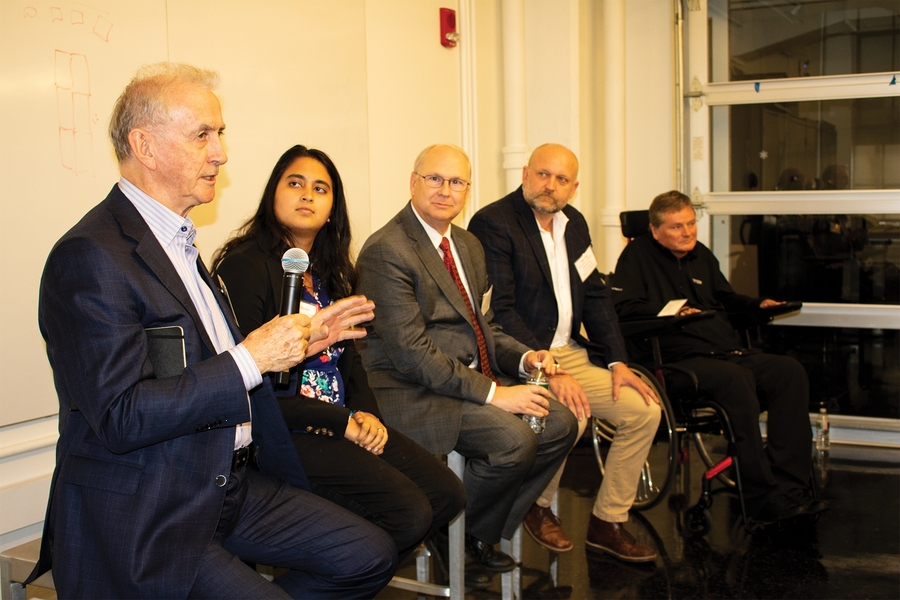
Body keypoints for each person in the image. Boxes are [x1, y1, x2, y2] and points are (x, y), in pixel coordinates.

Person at [27, 62, 397, 599]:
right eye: (203, 134)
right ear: (146, 146)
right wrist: (251, 358)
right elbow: (120, 415)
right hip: (153, 507)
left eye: (219, 134)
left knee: (368, 555)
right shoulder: (90, 256)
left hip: (227, 484)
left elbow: (203, 364)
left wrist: (297, 347)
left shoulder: (177, 239)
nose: (220, 152)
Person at [211, 144, 466, 563]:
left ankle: (351, 568)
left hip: (342, 421)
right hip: (285, 433)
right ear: (273, 194)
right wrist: (342, 422)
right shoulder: (246, 266)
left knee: (446, 493)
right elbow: (255, 391)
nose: (307, 195)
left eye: (320, 188)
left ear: (332, 208)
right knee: (408, 514)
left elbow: (353, 363)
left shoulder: (330, 271)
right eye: (295, 183)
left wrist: (366, 414)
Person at [355, 143, 579, 576]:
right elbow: (412, 355)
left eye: (456, 182)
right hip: (411, 391)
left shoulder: (468, 245)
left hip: (465, 380)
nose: (445, 190)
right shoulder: (388, 250)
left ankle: (468, 530)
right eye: (435, 179)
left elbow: (487, 325)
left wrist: (525, 358)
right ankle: (455, 532)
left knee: (559, 425)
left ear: (467, 191)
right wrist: (496, 394)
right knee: (513, 440)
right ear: (413, 183)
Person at [468, 143, 660, 562]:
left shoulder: (575, 224)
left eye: (560, 179)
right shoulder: (494, 222)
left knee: (644, 411)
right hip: (520, 354)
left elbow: (595, 295)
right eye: (542, 174)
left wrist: (617, 361)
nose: (549, 186)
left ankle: (607, 521)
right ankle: (537, 506)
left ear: (574, 187)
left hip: (571, 350)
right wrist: (550, 369)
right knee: (569, 413)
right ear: (525, 173)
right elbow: (500, 309)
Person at [610, 190, 827, 523]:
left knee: (789, 371)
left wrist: (758, 306)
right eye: (677, 227)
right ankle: (758, 496)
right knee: (736, 380)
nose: (688, 233)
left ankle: (791, 487)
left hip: (724, 352)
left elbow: (727, 300)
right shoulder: (636, 257)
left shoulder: (701, 256)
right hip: (676, 361)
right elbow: (624, 311)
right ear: (654, 231)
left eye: (690, 224)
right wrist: (675, 311)